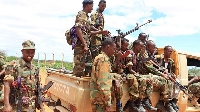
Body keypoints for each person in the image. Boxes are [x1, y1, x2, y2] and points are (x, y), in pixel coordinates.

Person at [3, 40, 43, 112]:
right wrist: (6, 105)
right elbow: (7, 85)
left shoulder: (35, 68)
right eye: (27, 52)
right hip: (17, 105)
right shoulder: (14, 66)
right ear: (22, 51)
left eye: (32, 52)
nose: (30, 55)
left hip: (31, 106)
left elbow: (37, 86)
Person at [73, 0, 109, 77]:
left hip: (84, 44)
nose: (92, 8)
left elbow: (89, 32)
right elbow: (78, 29)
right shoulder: (82, 14)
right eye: (91, 6)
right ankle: (77, 84)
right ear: (87, 5)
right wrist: (85, 44)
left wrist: (101, 33)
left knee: (87, 63)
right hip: (80, 45)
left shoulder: (86, 16)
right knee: (79, 66)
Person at [146, 41, 177, 112]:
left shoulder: (171, 61)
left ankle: (171, 101)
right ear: (165, 51)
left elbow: (171, 71)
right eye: (169, 51)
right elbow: (153, 67)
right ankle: (165, 102)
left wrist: (172, 75)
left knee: (176, 82)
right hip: (158, 75)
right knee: (166, 82)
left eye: (171, 52)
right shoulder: (158, 58)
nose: (170, 53)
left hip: (165, 75)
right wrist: (163, 73)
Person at [90, 38, 116, 112]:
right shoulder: (103, 60)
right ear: (108, 47)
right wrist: (108, 104)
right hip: (101, 100)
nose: (114, 51)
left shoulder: (99, 57)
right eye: (113, 49)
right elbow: (103, 84)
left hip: (97, 98)